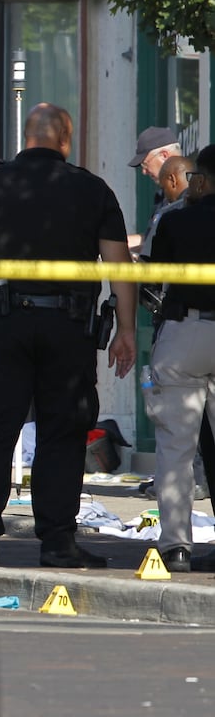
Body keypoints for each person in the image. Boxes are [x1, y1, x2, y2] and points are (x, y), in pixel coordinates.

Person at [0, 103, 136, 569]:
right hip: (68, 328)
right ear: (65, 140)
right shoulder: (92, 189)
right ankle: (58, 542)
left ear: (25, 137)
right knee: (63, 432)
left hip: (2, 325)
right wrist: (127, 330)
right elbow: (120, 268)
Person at [146, 144, 215, 572]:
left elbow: (153, 283)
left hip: (186, 331)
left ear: (202, 181)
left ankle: (176, 546)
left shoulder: (177, 221)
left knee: (176, 445)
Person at [127, 125, 181, 253]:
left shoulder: (192, 193)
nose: (144, 171)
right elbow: (149, 239)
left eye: (145, 164)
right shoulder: (162, 196)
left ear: (164, 156)